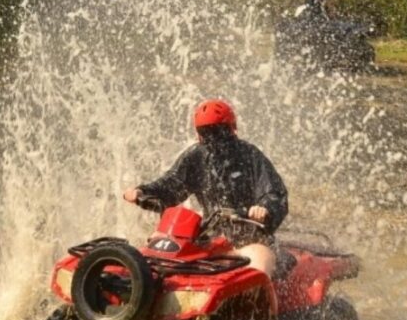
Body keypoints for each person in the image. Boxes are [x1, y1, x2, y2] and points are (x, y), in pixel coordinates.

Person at [123, 99, 288, 278]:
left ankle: (258, 301)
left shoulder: (251, 156)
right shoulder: (196, 157)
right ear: (199, 135)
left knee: (261, 261)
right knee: (158, 238)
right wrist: (143, 192)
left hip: (250, 241)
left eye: (219, 131)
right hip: (210, 240)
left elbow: (275, 193)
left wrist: (265, 208)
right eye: (207, 132)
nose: (214, 138)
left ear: (232, 129)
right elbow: (171, 184)